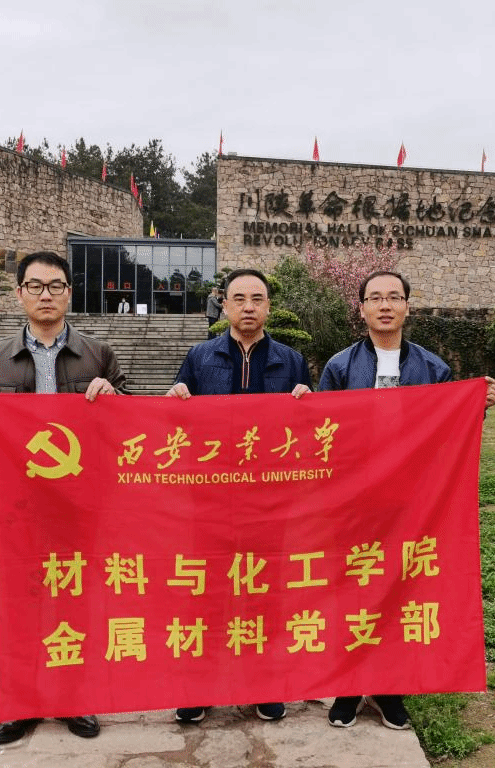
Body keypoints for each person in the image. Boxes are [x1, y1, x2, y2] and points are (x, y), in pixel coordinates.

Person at [0, 250, 126, 745]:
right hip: (17, 506)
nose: (46, 294)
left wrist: (113, 397)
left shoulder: (99, 355)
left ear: (69, 294)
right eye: (35, 286)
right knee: (20, 603)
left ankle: (75, 698)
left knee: (78, 601)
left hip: (80, 505)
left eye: (55, 286)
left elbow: (130, 427)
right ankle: (21, 703)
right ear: (19, 293)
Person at [318, 269, 495, 730]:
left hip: (413, 501)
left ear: (406, 307)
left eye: (394, 297)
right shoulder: (340, 367)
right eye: (375, 298)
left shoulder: (433, 368)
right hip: (355, 500)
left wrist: (476, 406)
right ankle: (348, 685)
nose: (385, 305)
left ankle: (389, 687)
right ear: (361, 308)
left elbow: (448, 431)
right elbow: (322, 432)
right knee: (353, 588)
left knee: (401, 589)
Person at [165, 267, 311, 723]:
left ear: (269, 307)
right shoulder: (199, 356)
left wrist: (309, 401)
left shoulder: (292, 361)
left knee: (265, 591)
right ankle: (200, 685)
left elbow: (311, 432)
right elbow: (176, 423)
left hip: (269, 501)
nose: (248, 307)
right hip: (210, 498)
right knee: (206, 591)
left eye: (257, 299)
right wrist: (175, 397)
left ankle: (263, 684)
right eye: (239, 299)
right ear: (224, 305)